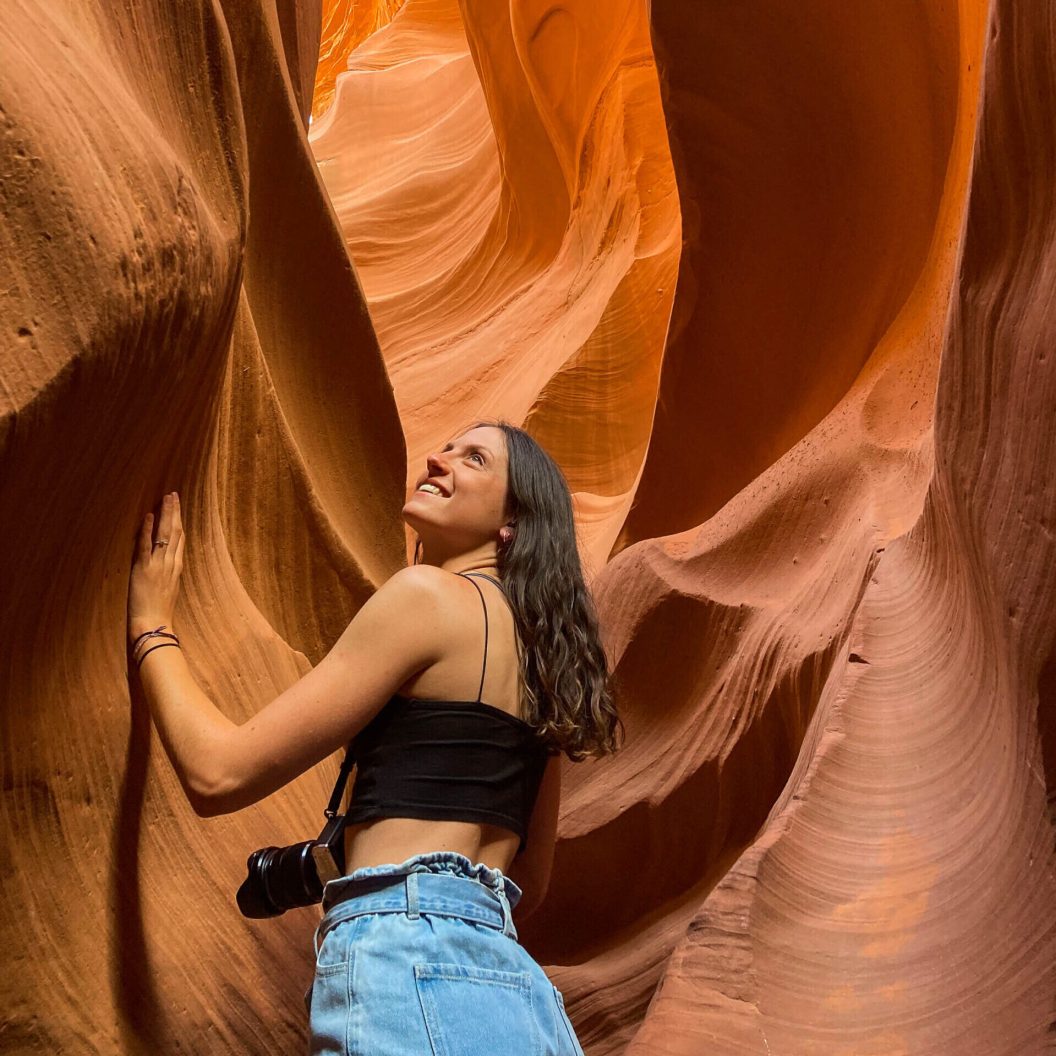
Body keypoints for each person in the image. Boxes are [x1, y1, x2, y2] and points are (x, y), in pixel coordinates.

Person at [127, 421, 620, 1055]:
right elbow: (532, 877)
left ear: (513, 525)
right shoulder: (546, 662)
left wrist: (150, 627)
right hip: (515, 988)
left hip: (404, 955)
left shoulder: (426, 598)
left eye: (474, 459)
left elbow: (217, 774)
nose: (439, 461)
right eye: (446, 448)